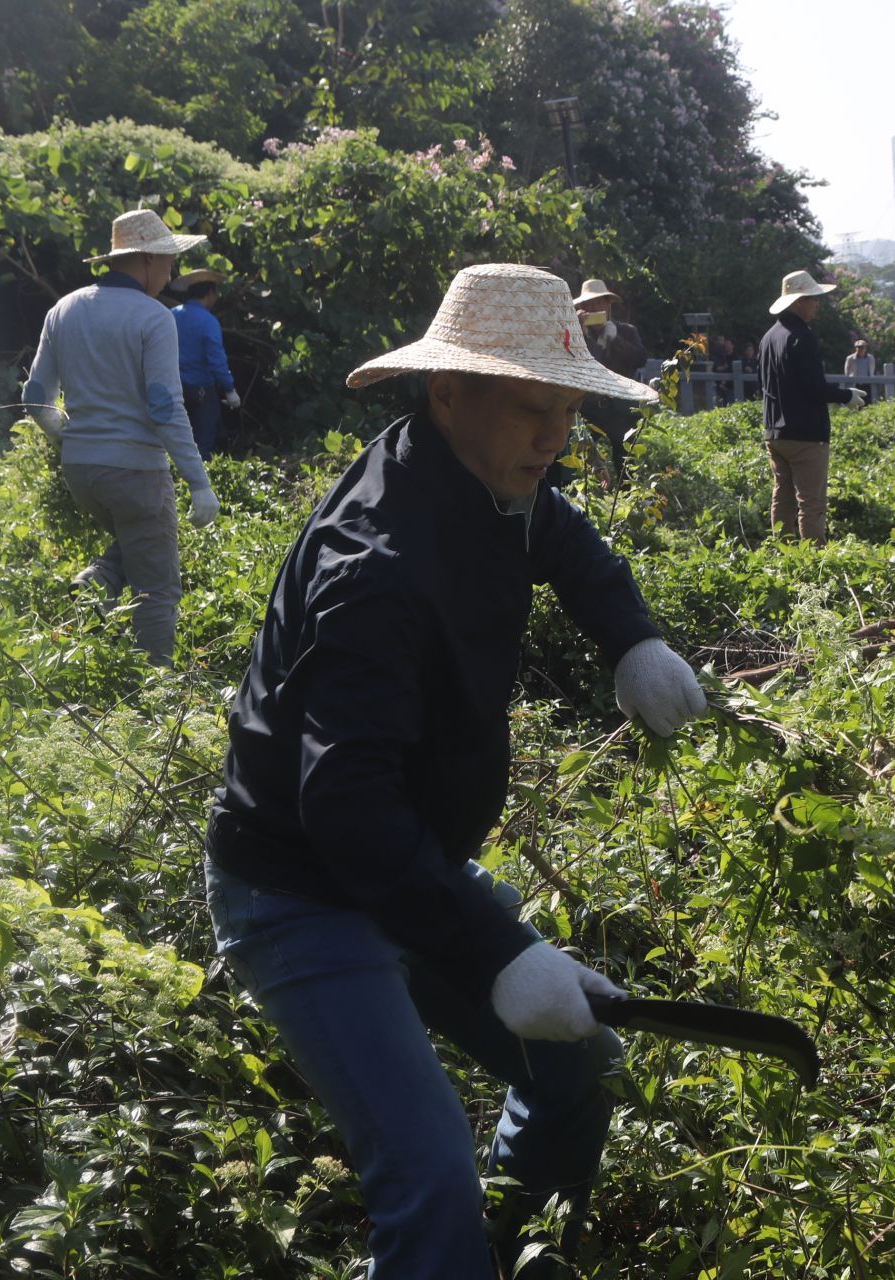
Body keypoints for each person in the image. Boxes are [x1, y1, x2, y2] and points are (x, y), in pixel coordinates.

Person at [205, 263, 708, 1280]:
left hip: (407, 857)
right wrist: (495, 951)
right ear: (448, 390)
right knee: (428, 1170)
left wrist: (631, 640)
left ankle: (510, 1243)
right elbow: (342, 806)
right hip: (301, 888)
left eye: (569, 410)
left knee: (575, 1060)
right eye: (534, 408)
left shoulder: (490, 475)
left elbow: (567, 537)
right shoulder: (377, 564)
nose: (555, 437)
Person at [20, 209, 220, 668]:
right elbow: (165, 408)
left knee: (137, 542)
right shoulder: (153, 317)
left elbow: (34, 398)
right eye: (168, 262)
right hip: (136, 472)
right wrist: (198, 481)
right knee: (158, 588)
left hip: (81, 472)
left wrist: (67, 436)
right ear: (147, 259)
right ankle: (154, 698)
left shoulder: (64, 308)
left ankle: (101, 578)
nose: (171, 272)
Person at [758, 270, 863, 544]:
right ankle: (813, 564)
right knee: (811, 503)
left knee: (782, 497)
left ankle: (784, 555)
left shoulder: (769, 338)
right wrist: (845, 396)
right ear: (798, 302)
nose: (817, 304)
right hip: (805, 434)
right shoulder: (802, 337)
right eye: (813, 299)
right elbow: (814, 387)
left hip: (775, 432)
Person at [572, 278, 648, 473]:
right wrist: (580, 334)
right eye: (588, 304)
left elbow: (640, 359)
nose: (594, 307)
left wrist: (616, 340)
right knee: (581, 462)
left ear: (608, 305)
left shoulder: (626, 331)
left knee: (626, 465)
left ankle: (628, 498)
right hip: (589, 409)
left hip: (622, 408)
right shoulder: (577, 334)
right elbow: (584, 364)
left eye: (599, 302)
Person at [169, 269, 238, 460]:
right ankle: (202, 483)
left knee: (175, 440)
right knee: (203, 441)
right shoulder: (209, 322)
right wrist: (229, 389)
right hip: (200, 389)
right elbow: (216, 360)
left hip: (172, 386)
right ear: (210, 294)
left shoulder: (170, 315)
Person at [844, 338, 876, 402]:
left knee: (867, 402)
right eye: (858, 347)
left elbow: (872, 369)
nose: (860, 349)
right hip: (855, 383)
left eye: (862, 347)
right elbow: (847, 370)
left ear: (865, 348)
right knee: (856, 402)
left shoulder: (870, 358)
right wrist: (848, 380)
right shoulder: (850, 358)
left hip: (867, 383)